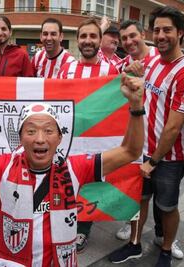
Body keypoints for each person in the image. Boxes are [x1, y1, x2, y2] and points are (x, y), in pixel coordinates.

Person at [0, 67, 144, 266]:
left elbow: (130, 152)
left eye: (48, 131)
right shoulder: (2, 165)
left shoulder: (76, 167)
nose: (39, 138)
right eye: (31, 131)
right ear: (19, 138)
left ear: (59, 138)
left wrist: (135, 106)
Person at [108, 6, 184, 267]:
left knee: (167, 207)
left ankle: (166, 249)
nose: (160, 35)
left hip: (168, 157)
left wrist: (153, 161)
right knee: (139, 200)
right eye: (156, 30)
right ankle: (134, 244)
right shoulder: (152, 61)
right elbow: (126, 76)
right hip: (141, 150)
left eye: (167, 29)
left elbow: (173, 126)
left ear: (180, 33)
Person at [57, 18, 119, 253]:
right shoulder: (67, 69)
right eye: (83, 36)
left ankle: (83, 229)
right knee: (68, 184)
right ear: (78, 40)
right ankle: (65, 224)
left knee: (90, 187)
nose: (88, 41)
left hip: (96, 142)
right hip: (70, 141)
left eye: (93, 36)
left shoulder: (110, 70)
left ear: (100, 40)